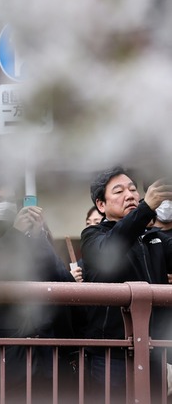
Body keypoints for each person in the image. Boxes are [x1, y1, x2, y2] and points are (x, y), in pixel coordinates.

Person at [0, 175, 75, 403]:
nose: (6, 206)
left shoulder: (28, 239)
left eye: (10, 200)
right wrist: (16, 234)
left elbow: (61, 281)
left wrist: (39, 239)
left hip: (43, 360)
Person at [81, 168, 172, 402]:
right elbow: (112, 248)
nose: (130, 195)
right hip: (111, 353)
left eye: (133, 189)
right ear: (101, 205)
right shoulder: (93, 236)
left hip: (154, 350)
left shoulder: (154, 238)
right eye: (119, 191)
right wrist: (146, 209)